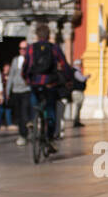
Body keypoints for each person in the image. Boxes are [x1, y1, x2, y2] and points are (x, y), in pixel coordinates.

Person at [24, 22, 72, 154]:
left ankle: (32, 119)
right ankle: (50, 139)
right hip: (50, 83)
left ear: (37, 35)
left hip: (35, 82)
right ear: (49, 35)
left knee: (34, 101)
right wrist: (68, 79)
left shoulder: (30, 48)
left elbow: (26, 65)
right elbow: (64, 64)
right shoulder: (54, 48)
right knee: (51, 111)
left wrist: (27, 79)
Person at [7, 42, 32, 145]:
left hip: (26, 90)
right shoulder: (15, 60)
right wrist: (7, 91)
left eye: (24, 48)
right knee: (18, 115)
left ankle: (24, 134)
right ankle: (22, 134)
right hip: (16, 91)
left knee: (24, 112)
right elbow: (11, 76)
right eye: (20, 48)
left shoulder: (31, 60)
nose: (22, 50)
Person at [69, 58, 89, 127]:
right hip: (77, 91)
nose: (82, 66)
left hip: (77, 91)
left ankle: (77, 121)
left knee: (78, 107)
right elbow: (81, 79)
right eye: (81, 64)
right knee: (77, 107)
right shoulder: (76, 71)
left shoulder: (75, 71)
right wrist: (86, 77)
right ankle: (76, 121)